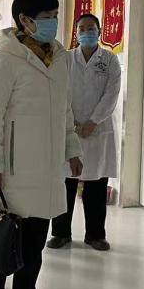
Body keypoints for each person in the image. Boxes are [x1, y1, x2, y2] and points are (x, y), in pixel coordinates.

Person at [0, 0, 82, 289]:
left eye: (56, 16)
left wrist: (72, 149)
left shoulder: (59, 57)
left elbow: (65, 109)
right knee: (1, 248)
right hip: (12, 170)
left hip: (47, 169)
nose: (53, 22)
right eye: (46, 17)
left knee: (33, 252)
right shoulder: (4, 59)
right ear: (24, 20)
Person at [47, 13, 122, 251]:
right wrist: (72, 122)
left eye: (91, 28)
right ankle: (60, 232)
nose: (86, 32)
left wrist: (93, 121)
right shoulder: (66, 59)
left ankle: (95, 235)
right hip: (69, 126)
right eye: (81, 28)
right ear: (76, 32)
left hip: (98, 130)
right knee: (65, 182)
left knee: (96, 184)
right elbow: (59, 91)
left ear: (99, 31)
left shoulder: (110, 60)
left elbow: (111, 94)